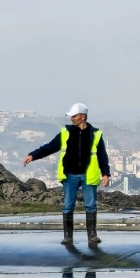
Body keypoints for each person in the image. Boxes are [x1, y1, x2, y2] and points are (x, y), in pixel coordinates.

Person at [25, 104, 112, 247]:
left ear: (82, 117)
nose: (72, 119)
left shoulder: (95, 134)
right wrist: (34, 155)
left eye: (75, 116)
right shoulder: (66, 132)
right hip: (70, 175)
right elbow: (50, 147)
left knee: (90, 205)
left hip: (88, 175)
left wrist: (105, 173)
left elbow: (102, 155)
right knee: (67, 206)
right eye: (71, 116)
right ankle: (67, 236)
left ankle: (92, 236)